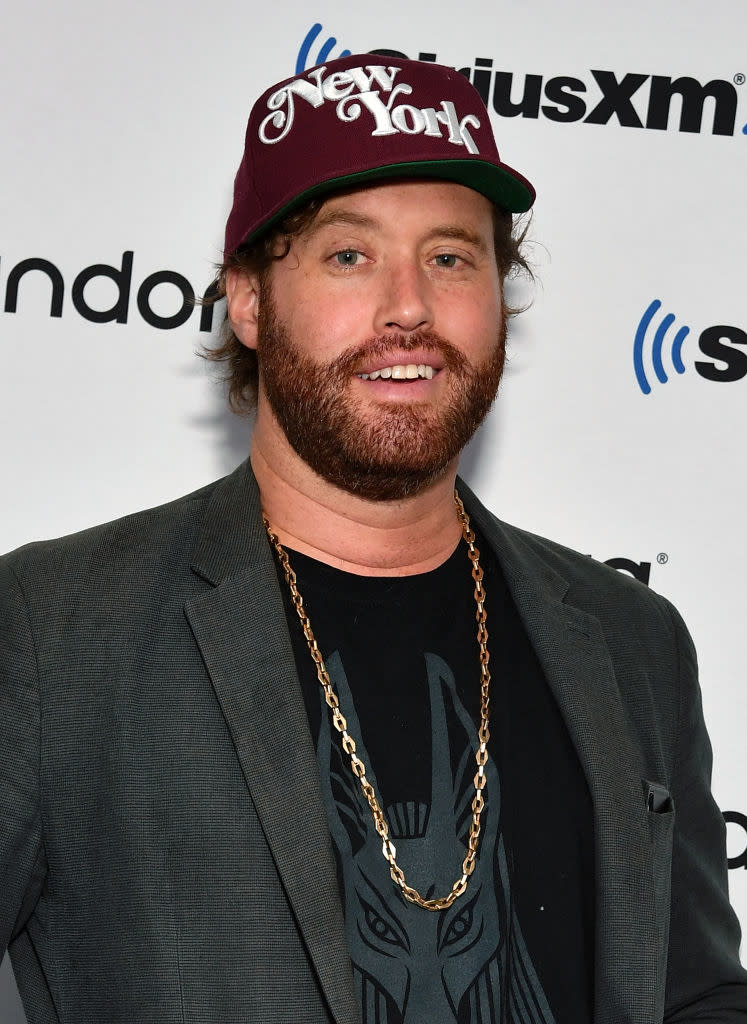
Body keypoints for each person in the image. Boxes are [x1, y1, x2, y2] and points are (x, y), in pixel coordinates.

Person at [1, 54, 745, 1024]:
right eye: (350, 255)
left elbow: (695, 994)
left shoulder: (631, 639)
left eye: (450, 256)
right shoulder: (56, 629)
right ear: (250, 299)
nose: (409, 306)